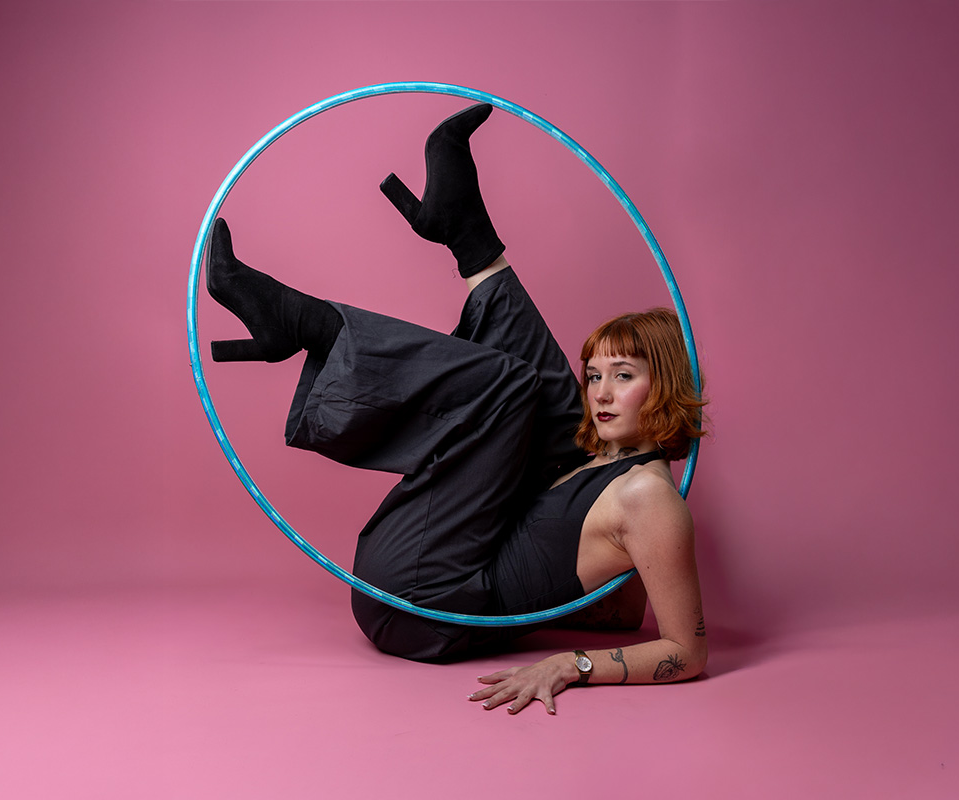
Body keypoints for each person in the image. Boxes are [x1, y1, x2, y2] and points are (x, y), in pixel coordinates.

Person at [206, 103, 708, 715]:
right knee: (545, 399)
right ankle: (466, 230)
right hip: (438, 565)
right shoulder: (605, 463)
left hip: (423, 604)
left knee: (510, 390)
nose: (600, 392)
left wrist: (569, 663)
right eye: (596, 374)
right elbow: (623, 613)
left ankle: (306, 323)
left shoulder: (650, 497)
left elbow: (686, 650)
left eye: (623, 377)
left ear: (664, 387)